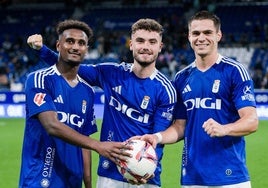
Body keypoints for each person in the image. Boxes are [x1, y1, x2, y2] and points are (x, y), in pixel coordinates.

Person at [27, 18, 177, 188]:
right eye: (140, 41)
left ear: (160, 47)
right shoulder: (111, 73)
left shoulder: (165, 90)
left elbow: (158, 137)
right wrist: (41, 50)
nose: (146, 47)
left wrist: (146, 169)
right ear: (131, 44)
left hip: (144, 177)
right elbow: (71, 65)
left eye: (152, 42)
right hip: (109, 173)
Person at [139, 10, 259, 188]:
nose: (201, 38)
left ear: (218, 35)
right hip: (192, 178)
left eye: (207, 32)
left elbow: (251, 121)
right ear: (189, 37)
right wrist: (157, 137)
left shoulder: (234, 71)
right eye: (196, 33)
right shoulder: (181, 78)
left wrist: (225, 129)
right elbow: (180, 127)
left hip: (231, 177)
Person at [19, 19, 131, 188]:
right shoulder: (39, 79)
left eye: (81, 43)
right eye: (70, 41)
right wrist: (98, 146)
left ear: (86, 49)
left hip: (72, 181)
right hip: (39, 178)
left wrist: (88, 183)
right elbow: (52, 125)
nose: (75, 47)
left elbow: (85, 139)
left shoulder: (87, 91)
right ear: (58, 45)